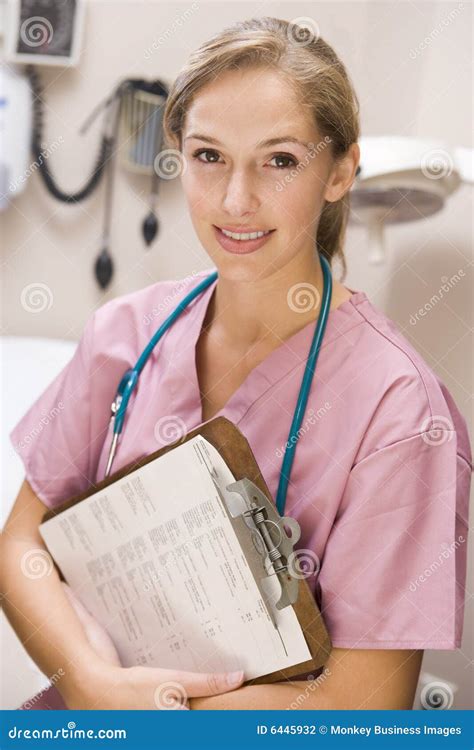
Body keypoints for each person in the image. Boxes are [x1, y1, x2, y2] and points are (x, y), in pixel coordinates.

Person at [1, 16, 471, 711]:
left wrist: (157, 715)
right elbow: (22, 547)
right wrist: (92, 683)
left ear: (341, 170)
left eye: (280, 160)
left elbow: (363, 707)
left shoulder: (400, 414)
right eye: (208, 156)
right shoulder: (124, 335)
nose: (234, 200)